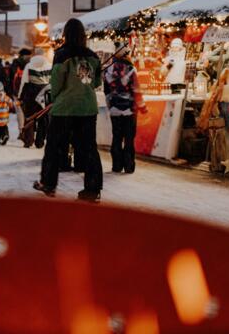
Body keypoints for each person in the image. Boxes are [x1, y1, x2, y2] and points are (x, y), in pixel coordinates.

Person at [33, 18, 103, 202]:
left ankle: (48, 183)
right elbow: (96, 82)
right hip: (87, 108)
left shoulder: (61, 55)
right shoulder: (93, 56)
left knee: (54, 147)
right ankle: (92, 190)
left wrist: (56, 98)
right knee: (89, 149)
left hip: (64, 108)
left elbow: (56, 83)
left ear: (65, 34)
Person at [103, 41, 147, 173]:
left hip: (115, 109)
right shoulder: (131, 69)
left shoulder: (108, 70)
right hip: (129, 109)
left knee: (116, 137)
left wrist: (110, 105)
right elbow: (136, 90)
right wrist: (142, 106)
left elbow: (106, 91)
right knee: (129, 139)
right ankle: (128, 166)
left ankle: (116, 165)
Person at [18, 48, 51, 148]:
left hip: (31, 93)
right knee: (43, 117)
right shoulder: (49, 65)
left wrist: (20, 95)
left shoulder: (29, 65)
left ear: (35, 54)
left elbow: (24, 81)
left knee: (29, 117)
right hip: (44, 93)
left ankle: (28, 141)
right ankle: (40, 141)